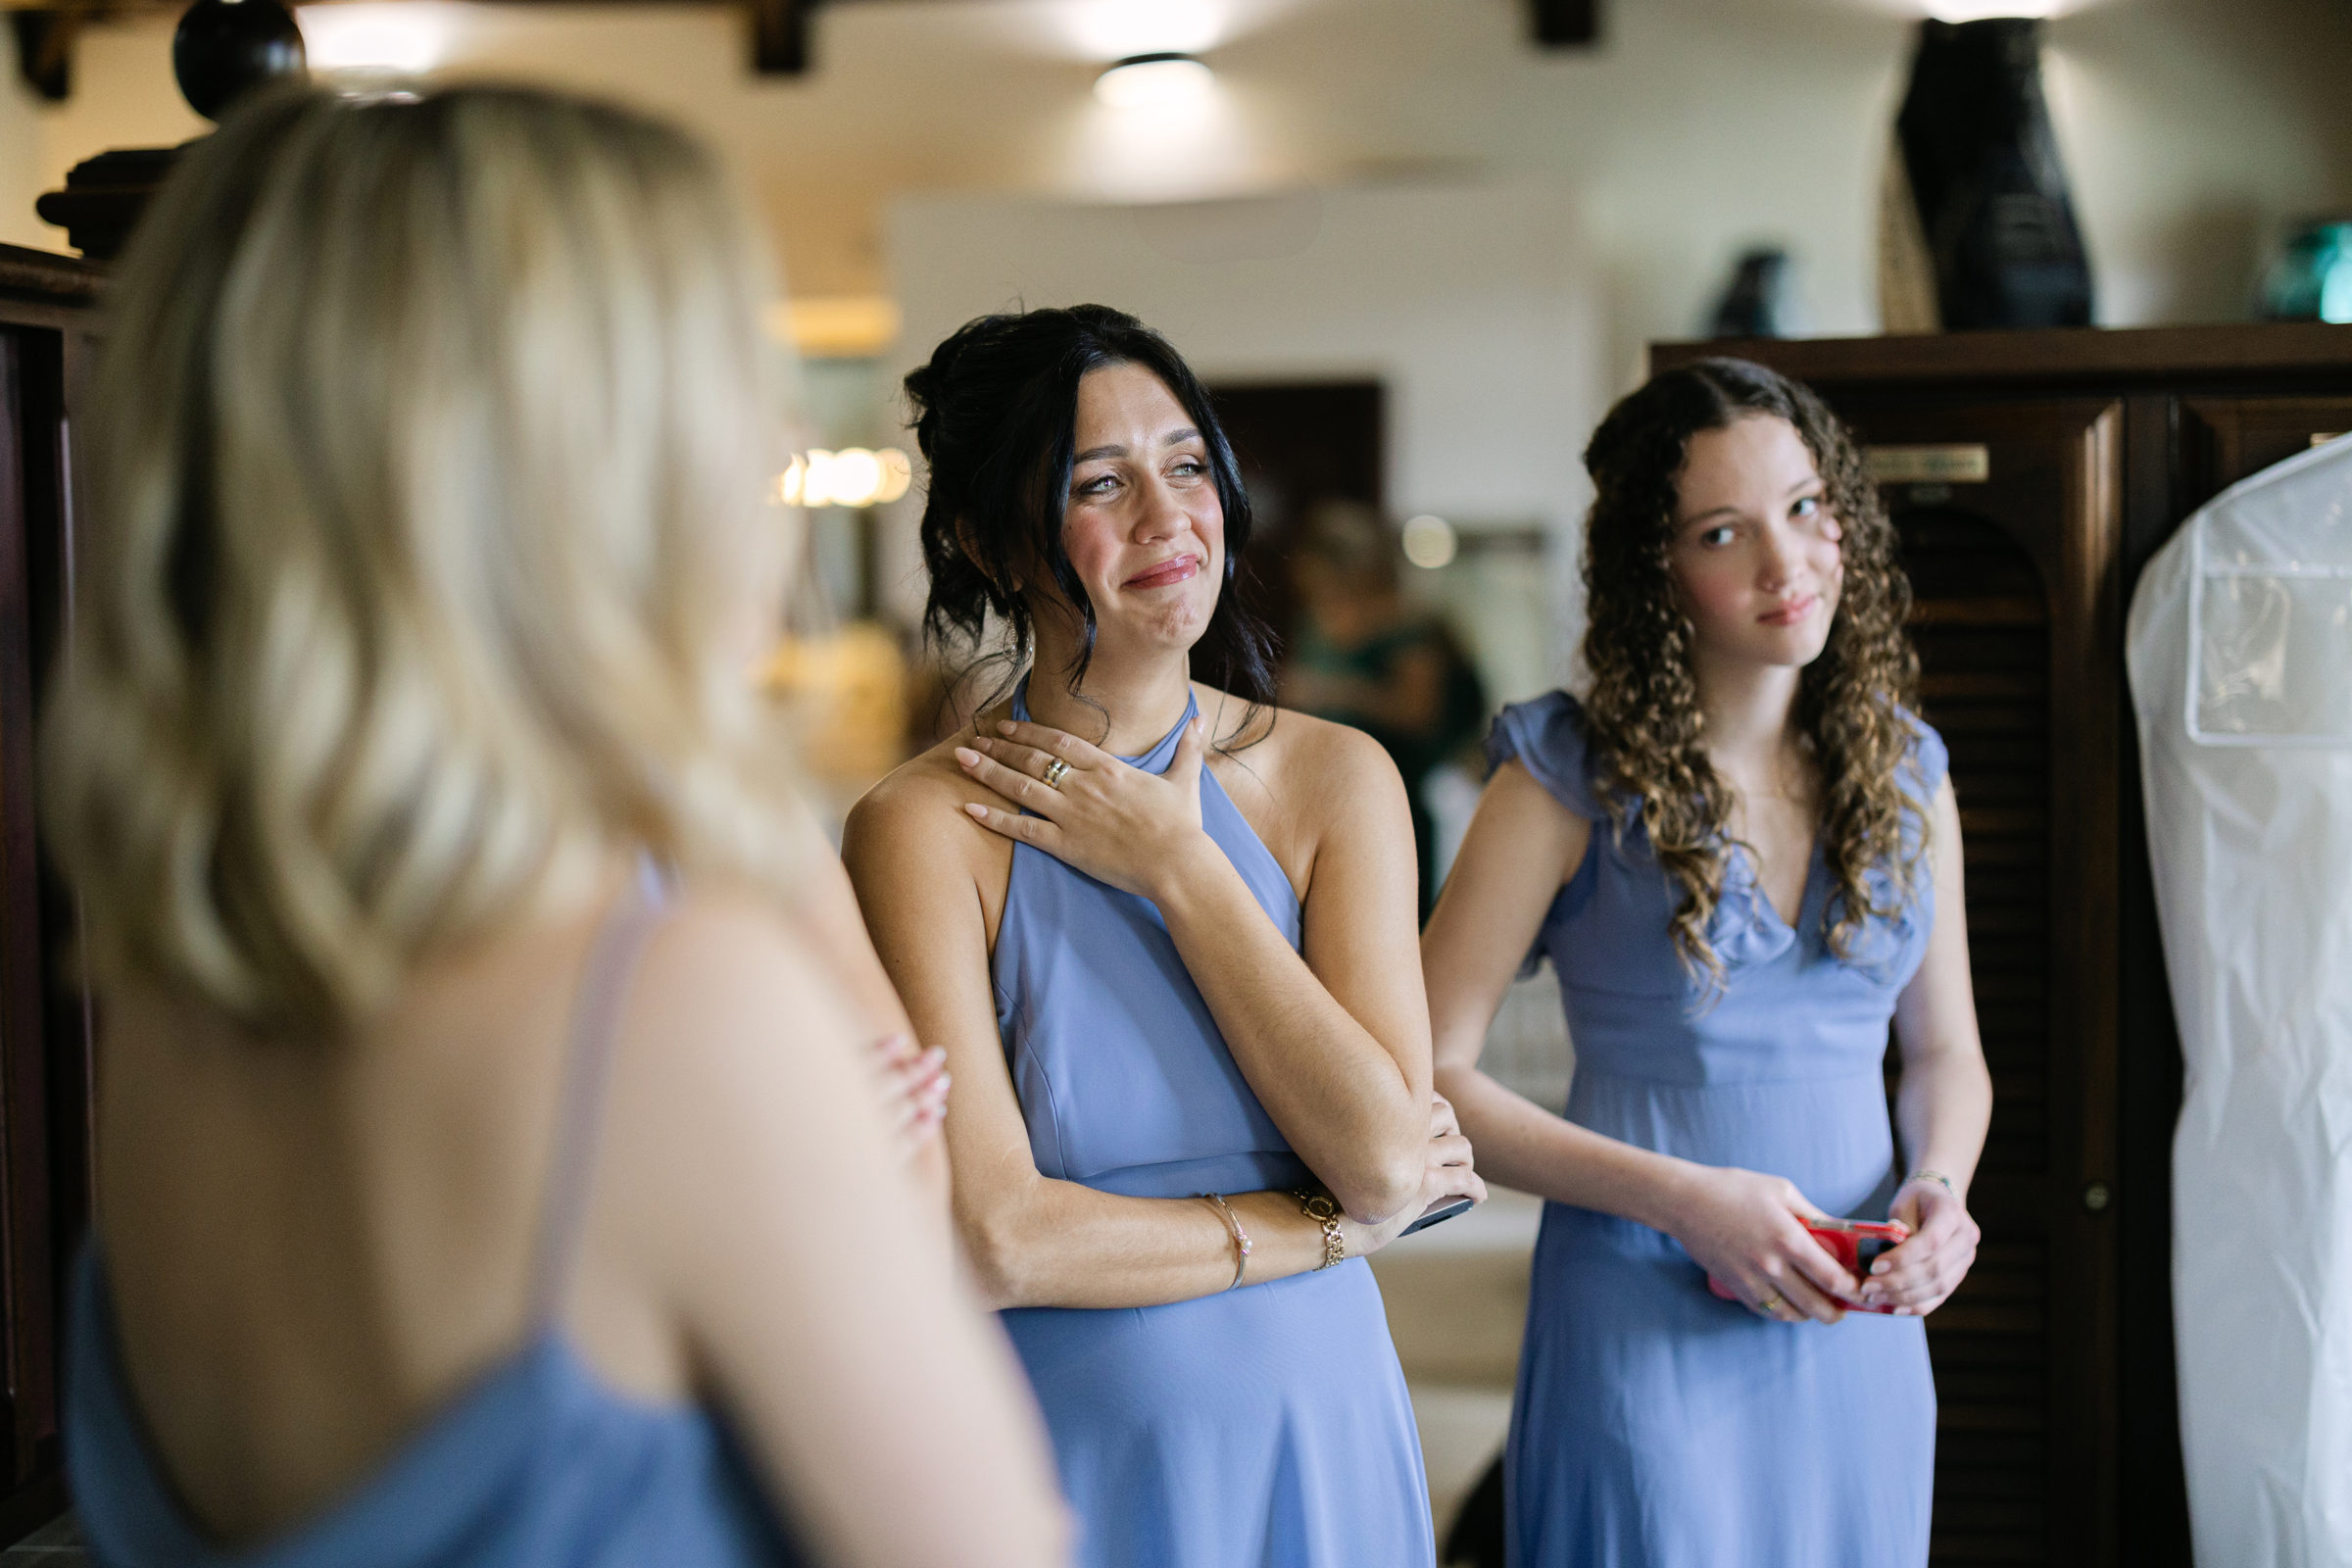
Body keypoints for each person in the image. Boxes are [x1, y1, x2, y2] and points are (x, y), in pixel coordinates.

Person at [43, 86, 1067, 1568]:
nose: (782, 441)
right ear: (585, 469)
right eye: (733, 376)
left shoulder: (176, 991)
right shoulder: (672, 1010)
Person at [843, 305, 1485, 1568]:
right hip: (1067, 1456)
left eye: (1188, 466)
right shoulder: (920, 828)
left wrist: (1180, 866)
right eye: (1100, 483)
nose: (1166, 517)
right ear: (985, 538)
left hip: (1321, 1425)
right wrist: (1323, 1231)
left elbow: (1381, 1155)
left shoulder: (1334, 781)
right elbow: (995, 1237)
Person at [1420, 358, 1992, 1566]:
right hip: (1641, 1318)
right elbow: (1422, 1075)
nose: (1786, 564)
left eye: (1803, 507)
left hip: (1860, 1330)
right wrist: (1685, 1199)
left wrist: (1941, 1188)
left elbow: (1946, 1054)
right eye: (1724, 532)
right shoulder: (1563, 779)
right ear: (1656, 575)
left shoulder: (1909, 777)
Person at [1280, 500, 1488, 918]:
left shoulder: (1408, 623)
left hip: (1402, 782)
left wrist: (1335, 692)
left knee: (1393, 907)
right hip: (1326, 782)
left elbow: (1418, 711)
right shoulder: (1317, 620)